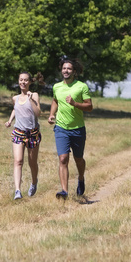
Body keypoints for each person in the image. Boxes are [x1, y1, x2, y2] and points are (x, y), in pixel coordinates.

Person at [48, 57, 93, 199]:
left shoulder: (81, 86)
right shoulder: (57, 87)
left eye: (69, 68)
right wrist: (51, 114)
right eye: (64, 68)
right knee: (63, 159)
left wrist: (75, 103)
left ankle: (80, 178)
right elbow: (55, 100)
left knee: (78, 158)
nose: (66, 71)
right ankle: (64, 191)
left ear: (74, 71)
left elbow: (90, 106)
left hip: (78, 128)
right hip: (61, 127)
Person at [5, 72, 43, 200]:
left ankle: (34, 182)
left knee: (32, 163)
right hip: (18, 132)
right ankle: (17, 190)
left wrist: (31, 100)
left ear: (29, 82)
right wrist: (10, 120)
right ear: (18, 81)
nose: (23, 82)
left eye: (26, 80)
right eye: (21, 80)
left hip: (32, 133)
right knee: (18, 161)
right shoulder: (15, 98)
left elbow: (38, 113)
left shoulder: (34, 95)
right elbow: (15, 109)